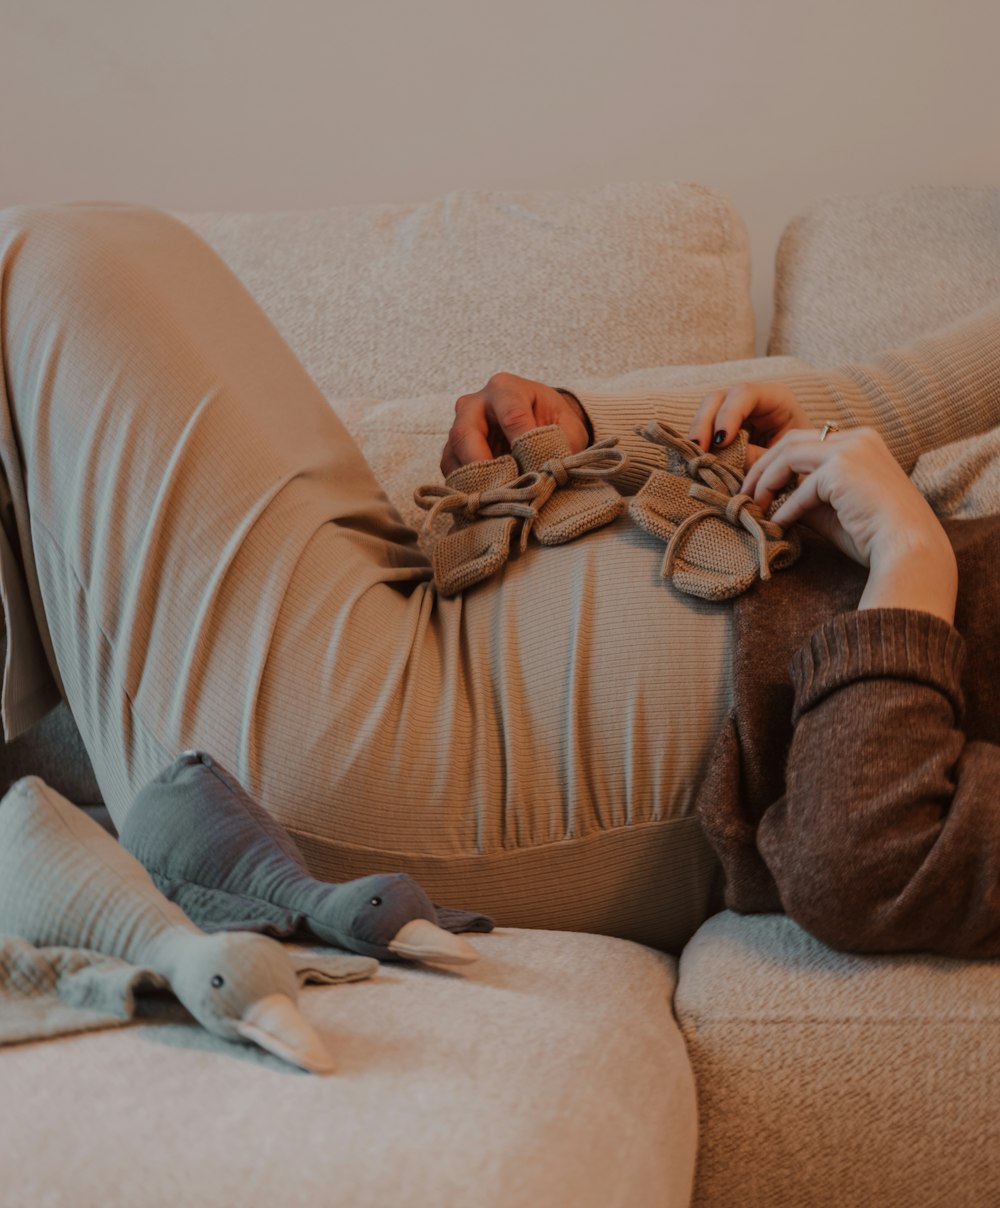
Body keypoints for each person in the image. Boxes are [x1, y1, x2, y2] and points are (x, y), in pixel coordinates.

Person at [1, 201, 999, 957]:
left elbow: (865, 856)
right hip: (426, 594)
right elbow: (889, 401)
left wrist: (911, 555)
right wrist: (583, 421)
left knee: (75, 262)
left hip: (413, 757)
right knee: (89, 329)